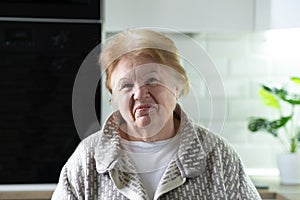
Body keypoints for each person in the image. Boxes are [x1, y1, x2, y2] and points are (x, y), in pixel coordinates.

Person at [52, 29, 261, 200]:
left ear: (177, 86)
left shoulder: (219, 156)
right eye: (126, 85)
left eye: (152, 79)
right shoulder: (87, 159)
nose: (140, 93)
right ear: (114, 98)